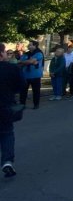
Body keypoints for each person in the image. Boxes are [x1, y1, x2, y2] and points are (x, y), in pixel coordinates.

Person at [0, 46, 24, 178]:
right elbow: (21, 85)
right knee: (7, 134)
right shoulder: (11, 68)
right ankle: (7, 162)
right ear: (1, 54)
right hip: (5, 106)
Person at [17, 40, 44, 109]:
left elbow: (30, 61)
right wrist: (28, 62)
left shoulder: (39, 53)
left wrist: (24, 62)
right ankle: (22, 104)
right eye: (29, 45)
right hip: (25, 75)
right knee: (23, 91)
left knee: (36, 91)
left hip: (35, 76)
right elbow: (20, 63)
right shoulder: (26, 54)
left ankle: (36, 104)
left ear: (35, 46)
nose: (28, 46)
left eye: (30, 45)